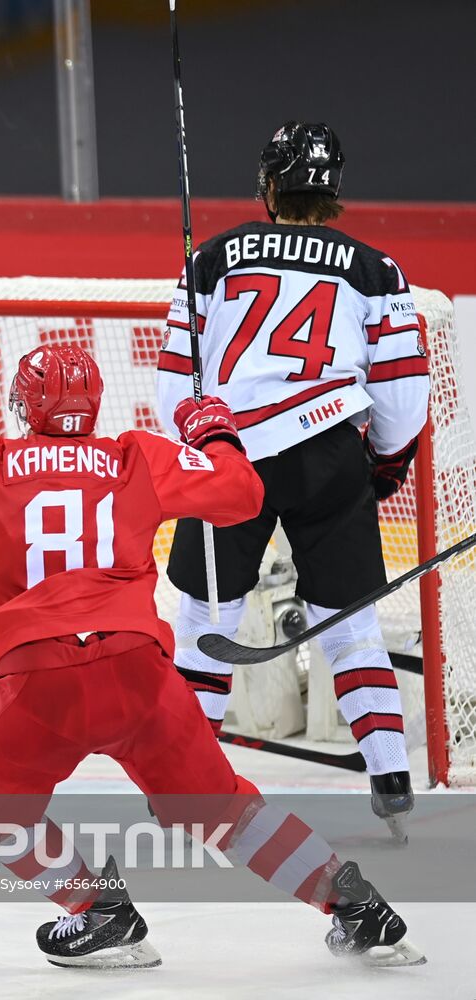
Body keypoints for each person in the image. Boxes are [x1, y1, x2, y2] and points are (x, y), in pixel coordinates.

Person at [0, 343, 423, 968]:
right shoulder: (137, 454)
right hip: (142, 676)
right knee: (221, 808)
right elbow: (242, 496)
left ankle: (97, 910)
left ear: (24, 406)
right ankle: (353, 901)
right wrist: (215, 433)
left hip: (40, 685)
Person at [155, 121, 430, 835]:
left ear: (269, 185)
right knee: (352, 627)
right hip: (330, 451)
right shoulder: (377, 270)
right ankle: (392, 778)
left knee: (205, 627)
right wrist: (387, 462)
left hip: (230, 456)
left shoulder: (211, 259)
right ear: (333, 190)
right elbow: (402, 394)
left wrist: (199, 447)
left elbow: (172, 385)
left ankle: (186, 793)